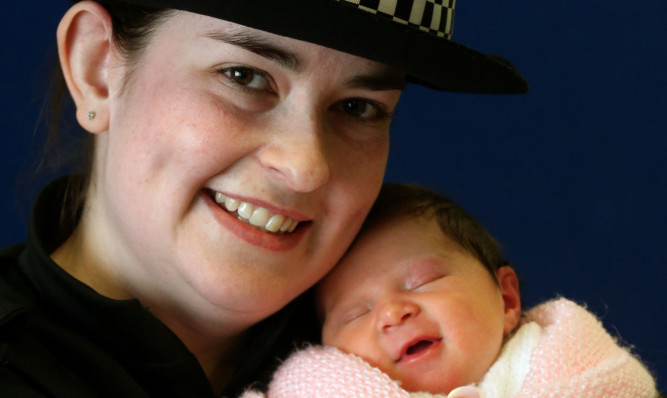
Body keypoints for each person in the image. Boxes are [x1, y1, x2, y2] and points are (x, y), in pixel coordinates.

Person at [0, 0, 529, 396]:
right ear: (96, 69)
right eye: (245, 76)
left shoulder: (421, 338)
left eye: (358, 107)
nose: (305, 168)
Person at [242, 183, 659, 398]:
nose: (392, 313)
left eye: (422, 282)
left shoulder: (565, 360)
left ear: (507, 299)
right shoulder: (319, 387)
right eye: (355, 314)